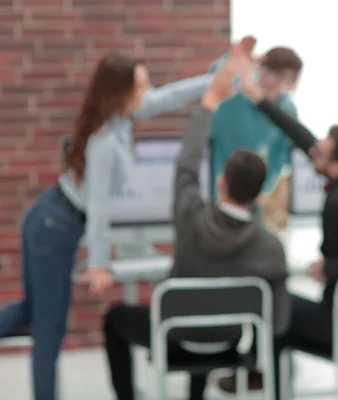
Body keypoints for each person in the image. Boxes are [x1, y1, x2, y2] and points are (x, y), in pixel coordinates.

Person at [0, 51, 217, 399]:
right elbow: (98, 205)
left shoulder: (123, 116)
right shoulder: (104, 141)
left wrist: (220, 81)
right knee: (48, 328)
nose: (149, 93)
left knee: (32, 311)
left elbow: (169, 96)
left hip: (54, 219)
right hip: (54, 225)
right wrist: (98, 262)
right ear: (121, 92)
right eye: (142, 86)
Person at [102, 44, 290, 400]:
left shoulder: (190, 218)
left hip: (174, 340)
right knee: (212, 308)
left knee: (115, 319)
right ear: (258, 192)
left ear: (220, 182)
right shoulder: (269, 246)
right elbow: (278, 324)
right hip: (229, 342)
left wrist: (208, 105)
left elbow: (186, 166)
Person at [217, 52, 338, 396]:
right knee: (280, 301)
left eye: (322, 155)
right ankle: (260, 374)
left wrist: (330, 267)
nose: (313, 154)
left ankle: (263, 380)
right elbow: (305, 140)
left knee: (273, 302)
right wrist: (262, 102)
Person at [207, 43, 303, 233]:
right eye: (273, 74)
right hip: (216, 185)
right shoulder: (235, 93)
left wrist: (264, 188)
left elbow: (281, 155)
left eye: (286, 79)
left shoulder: (287, 110)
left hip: (251, 191)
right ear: (262, 69)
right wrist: (237, 60)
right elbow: (213, 76)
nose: (275, 83)